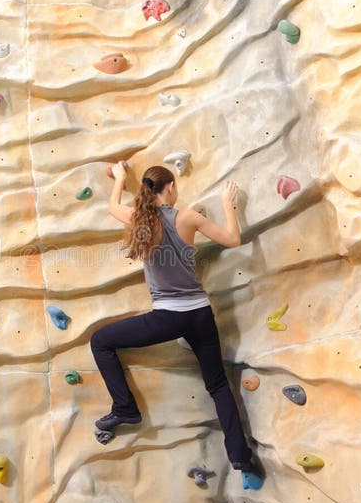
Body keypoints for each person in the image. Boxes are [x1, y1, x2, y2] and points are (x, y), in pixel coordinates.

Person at [90, 162, 262, 478]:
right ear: (170, 187)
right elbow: (234, 240)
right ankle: (240, 457)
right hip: (200, 314)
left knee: (100, 341)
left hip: (167, 318)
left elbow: (112, 206)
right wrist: (227, 204)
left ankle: (125, 408)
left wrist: (118, 179)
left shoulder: (137, 219)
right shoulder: (188, 218)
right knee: (219, 385)